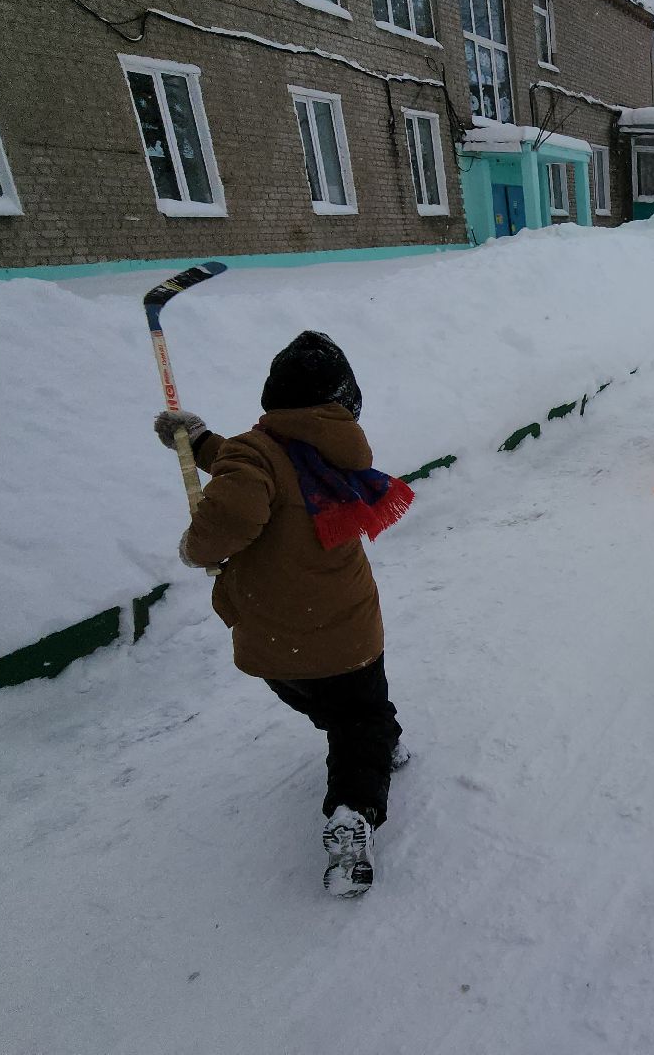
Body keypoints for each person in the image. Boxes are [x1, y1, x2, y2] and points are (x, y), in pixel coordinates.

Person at [151, 331, 413, 898]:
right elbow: (250, 478)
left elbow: (247, 481)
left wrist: (199, 545)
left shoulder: (259, 451)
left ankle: (378, 743)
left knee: (336, 707)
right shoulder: (341, 450)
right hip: (348, 626)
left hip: (279, 636)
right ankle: (352, 808)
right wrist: (199, 443)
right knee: (356, 714)